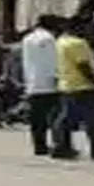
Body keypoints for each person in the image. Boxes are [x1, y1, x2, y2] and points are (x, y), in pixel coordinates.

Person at [52, 7, 94, 161]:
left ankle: (61, 146)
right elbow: (83, 66)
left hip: (67, 84)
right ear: (79, 27)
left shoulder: (61, 41)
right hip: (84, 86)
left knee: (65, 119)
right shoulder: (78, 43)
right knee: (92, 122)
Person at [22, 15, 61, 156]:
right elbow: (53, 60)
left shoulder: (27, 39)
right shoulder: (49, 39)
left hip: (32, 82)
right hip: (49, 82)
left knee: (37, 119)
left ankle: (39, 146)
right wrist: (57, 77)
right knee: (54, 116)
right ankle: (59, 144)